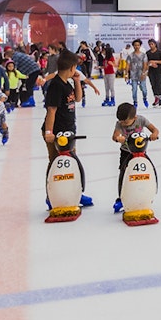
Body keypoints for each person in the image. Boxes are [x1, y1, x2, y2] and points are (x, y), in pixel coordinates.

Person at [42, 50, 93, 206]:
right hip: (57, 132)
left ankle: (76, 192)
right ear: (72, 67)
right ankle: (51, 196)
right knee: (55, 163)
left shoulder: (66, 83)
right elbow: (51, 110)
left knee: (71, 162)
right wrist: (49, 132)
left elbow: (77, 98)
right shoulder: (56, 85)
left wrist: (77, 81)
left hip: (69, 131)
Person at [111, 102, 160, 214]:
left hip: (141, 152)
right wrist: (118, 138)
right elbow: (114, 135)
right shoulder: (119, 124)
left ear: (135, 117)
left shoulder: (141, 120)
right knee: (124, 174)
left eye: (126, 122)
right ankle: (121, 197)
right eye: (121, 122)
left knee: (147, 171)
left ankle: (147, 193)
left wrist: (154, 134)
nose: (123, 124)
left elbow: (155, 130)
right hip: (126, 152)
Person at [144, 39, 161, 108]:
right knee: (153, 84)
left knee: (158, 84)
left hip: (159, 70)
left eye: (152, 44)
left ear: (155, 44)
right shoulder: (148, 53)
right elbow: (146, 62)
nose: (151, 45)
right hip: (151, 71)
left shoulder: (160, 52)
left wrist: (155, 62)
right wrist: (150, 64)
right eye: (149, 44)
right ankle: (156, 98)